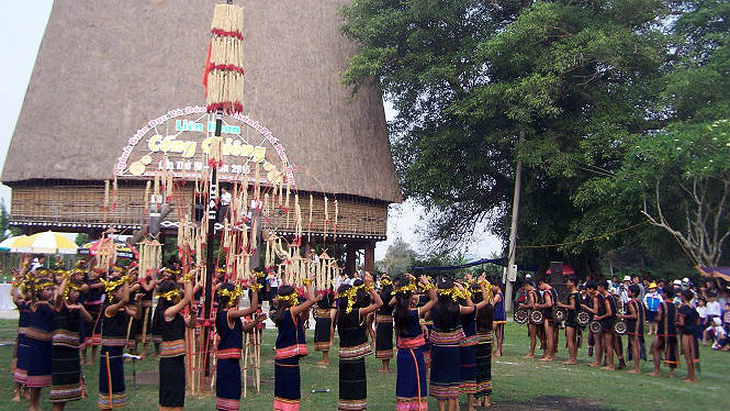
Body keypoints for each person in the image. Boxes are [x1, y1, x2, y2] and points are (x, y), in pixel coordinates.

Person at [336, 274, 383, 411]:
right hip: (355, 355)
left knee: (346, 384)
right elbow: (379, 303)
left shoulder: (340, 313)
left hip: (344, 355)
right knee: (357, 384)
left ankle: (345, 407)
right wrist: (370, 288)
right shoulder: (356, 312)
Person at [392, 274, 436, 411]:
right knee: (416, 382)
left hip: (403, 353)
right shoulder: (413, 313)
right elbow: (434, 299)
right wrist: (427, 283)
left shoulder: (397, 312)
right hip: (414, 354)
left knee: (405, 382)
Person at [216, 280, 261, 410]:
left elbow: (245, 329)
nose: (238, 299)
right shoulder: (229, 314)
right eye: (237, 296)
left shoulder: (229, 314)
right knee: (230, 393)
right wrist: (255, 288)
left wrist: (256, 321)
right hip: (227, 362)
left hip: (229, 361)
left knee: (231, 393)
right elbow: (252, 308)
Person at [272, 281, 316, 411]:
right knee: (291, 388)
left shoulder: (279, 313)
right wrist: (308, 284)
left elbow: (299, 323)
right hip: (290, 356)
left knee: (282, 388)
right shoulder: (291, 311)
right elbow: (312, 300)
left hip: (281, 355)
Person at [430, 278, 473, 411]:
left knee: (440, 379)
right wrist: (464, 292)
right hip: (453, 349)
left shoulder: (434, 308)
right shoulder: (456, 308)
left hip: (438, 348)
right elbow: (472, 308)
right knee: (452, 380)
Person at [50, 277, 91, 410]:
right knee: (59, 387)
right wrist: (66, 278)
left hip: (72, 348)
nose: (77, 294)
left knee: (67, 388)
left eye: (79, 291)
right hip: (59, 350)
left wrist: (81, 308)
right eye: (74, 291)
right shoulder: (60, 304)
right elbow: (60, 294)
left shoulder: (78, 306)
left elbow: (89, 319)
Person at [157, 275, 196, 410]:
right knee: (169, 392)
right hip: (169, 360)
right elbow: (188, 298)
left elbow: (190, 325)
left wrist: (193, 314)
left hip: (178, 359)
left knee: (178, 392)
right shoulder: (167, 312)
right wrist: (188, 279)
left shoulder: (176, 314)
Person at [98, 278, 139, 409]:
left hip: (117, 351)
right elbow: (126, 299)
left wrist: (138, 303)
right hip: (108, 351)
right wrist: (127, 280)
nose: (125, 292)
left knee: (116, 382)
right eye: (122, 290)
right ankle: (106, 407)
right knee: (108, 383)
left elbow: (137, 316)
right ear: (114, 293)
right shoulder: (110, 308)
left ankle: (112, 406)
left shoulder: (123, 308)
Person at [459, 276, 490, 411]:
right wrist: (482, 285)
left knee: (459, 373)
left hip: (460, 343)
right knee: (477, 371)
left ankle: (457, 404)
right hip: (477, 342)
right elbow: (486, 300)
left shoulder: (457, 309)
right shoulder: (473, 309)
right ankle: (477, 403)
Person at [26, 276, 55, 411]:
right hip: (37, 345)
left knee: (42, 376)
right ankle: (32, 404)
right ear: (39, 292)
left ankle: (36, 403)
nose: (51, 292)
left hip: (46, 344)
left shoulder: (49, 304)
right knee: (36, 374)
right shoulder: (40, 305)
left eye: (52, 289)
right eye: (47, 289)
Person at [649, 286, 679, 378]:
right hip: (672, 331)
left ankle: (657, 371)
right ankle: (671, 372)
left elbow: (659, 317)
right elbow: (676, 318)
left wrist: (655, 319)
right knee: (672, 351)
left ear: (665, 294)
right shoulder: (675, 306)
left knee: (654, 348)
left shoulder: (662, 305)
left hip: (662, 331)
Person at [473, 280, 494, 408]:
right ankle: (486, 399)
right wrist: (483, 283)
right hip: (488, 339)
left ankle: (477, 399)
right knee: (487, 369)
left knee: (477, 370)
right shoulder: (490, 306)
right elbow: (488, 297)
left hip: (477, 340)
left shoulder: (475, 309)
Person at [618, 284, 644, 374]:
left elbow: (634, 315)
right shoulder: (639, 302)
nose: (628, 293)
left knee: (635, 347)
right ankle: (636, 367)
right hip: (639, 327)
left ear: (633, 293)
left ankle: (636, 368)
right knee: (636, 347)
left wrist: (622, 316)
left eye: (629, 291)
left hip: (634, 327)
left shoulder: (631, 303)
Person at [677, 289, 700, 382]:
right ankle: (690, 375)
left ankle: (691, 376)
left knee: (688, 355)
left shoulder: (683, 308)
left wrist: (675, 323)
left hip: (686, 333)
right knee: (692, 354)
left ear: (683, 297)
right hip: (693, 332)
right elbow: (698, 321)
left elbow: (681, 323)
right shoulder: (693, 308)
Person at [557, 276, 580, 364]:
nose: (567, 284)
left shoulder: (572, 295)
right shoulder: (578, 294)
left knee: (570, 339)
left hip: (571, 318)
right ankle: (574, 357)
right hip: (576, 318)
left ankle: (571, 358)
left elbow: (572, 307)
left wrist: (562, 305)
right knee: (574, 339)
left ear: (573, 283)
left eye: (568, 282)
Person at [375, 275, 395, 372]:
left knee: (383, 342)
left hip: (382, 320)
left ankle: (385, 367)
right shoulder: (392, 292)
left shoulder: (383, 294)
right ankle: (387, 366)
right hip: (389, 320)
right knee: (388, 341)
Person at [581, 281, 603, 367]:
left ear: (592, 289)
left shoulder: (596, 298)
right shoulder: (600, 296)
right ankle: (599, 360)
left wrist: (585, 307)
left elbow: (595, 311)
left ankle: (597, 361)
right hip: (600, 320)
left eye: (588, 289)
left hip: (597, 320)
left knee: (597, 341)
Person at [535, 278, 557, 362]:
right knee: (552, 337)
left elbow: (549, 304)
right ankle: (551, 354)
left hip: (549, 316)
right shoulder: (554, 291)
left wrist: (539, 306)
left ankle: (549, 356)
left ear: (542, 284)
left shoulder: (547, 292)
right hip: (554, 316)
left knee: (549, 337)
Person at [313, 289, 337, 366]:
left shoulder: (326, 294)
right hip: (322, 316)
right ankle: (324, 359)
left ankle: (325, 360)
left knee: (324, 338)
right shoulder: (326, 294)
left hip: (324, 317)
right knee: (322, 337)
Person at [520, 280, 540, 359]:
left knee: (532, 336)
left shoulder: (531, 293)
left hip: (533, 316)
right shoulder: (538, 292)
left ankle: (531, 353)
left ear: (528, 285)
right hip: (538, 316)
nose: (525, 289)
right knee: (540, 335)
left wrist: (523, 306)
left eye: (525, 287)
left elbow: (531, 304)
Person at [491, 283, 505, 357]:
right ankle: (499, 351)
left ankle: (494, 350)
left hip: (496, 316)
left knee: (491, 333)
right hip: (500, 315)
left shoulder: (498, 295)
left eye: (493, 286)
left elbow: (492, 303)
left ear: (497, 286)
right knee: (499, 334)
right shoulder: (501, 294)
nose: (492, 288)